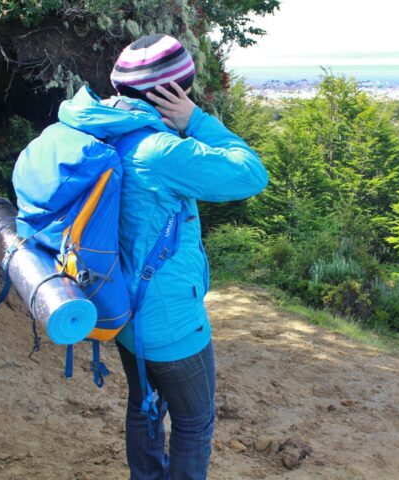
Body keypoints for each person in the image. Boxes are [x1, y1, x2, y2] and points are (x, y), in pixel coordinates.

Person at [58, 34, 268, 479]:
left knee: (145, 405)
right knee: (194, 421)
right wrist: (196, 119)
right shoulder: (160, 150)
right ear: (172, 92)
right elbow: (251, 173)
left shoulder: (98, 124)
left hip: (122, 307)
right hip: (169, 320)